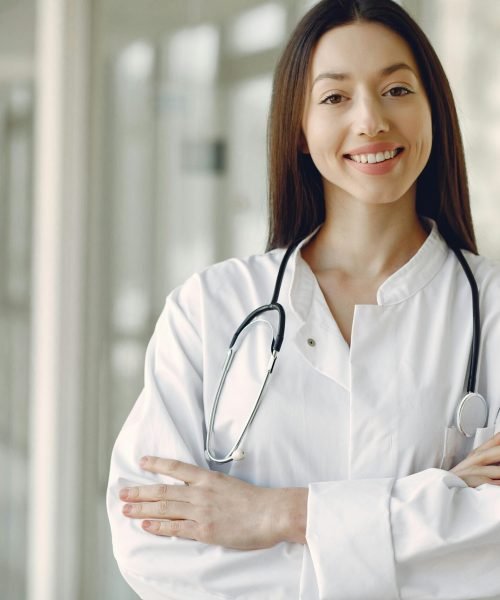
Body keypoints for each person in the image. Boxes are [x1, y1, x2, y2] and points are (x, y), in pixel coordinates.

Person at [107, 0, 500, 598]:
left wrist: (280, 516)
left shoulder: (492, 311)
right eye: (335, 97)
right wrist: (435, 511)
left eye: (396, 89)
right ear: (299, 127)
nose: (371, 121)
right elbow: (153, 545)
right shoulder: (211, 309)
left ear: (434, 112)